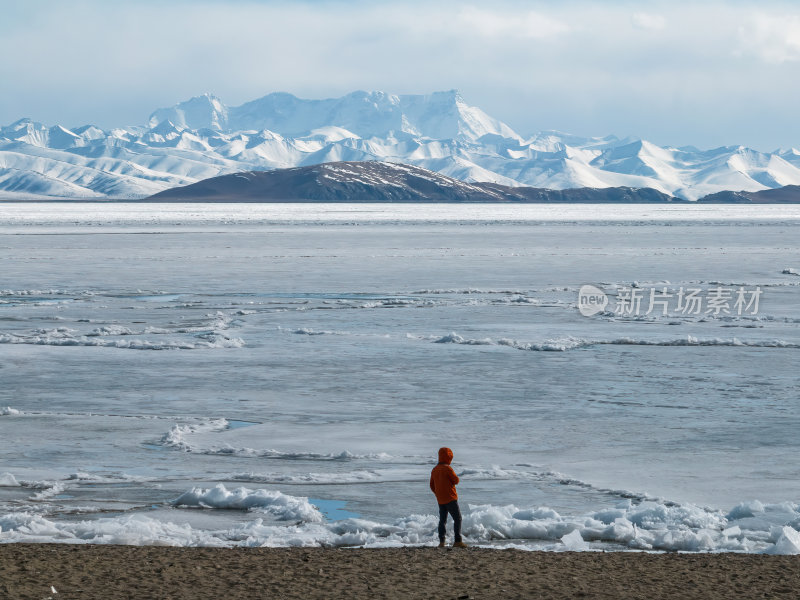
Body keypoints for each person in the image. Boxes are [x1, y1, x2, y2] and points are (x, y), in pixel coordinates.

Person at [430, 447, 467, 548]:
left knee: (442, 520)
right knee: (458, 518)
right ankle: (458, 541)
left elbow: (432, 486)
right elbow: (456, 481)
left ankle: (442, 542)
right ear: (449, 458)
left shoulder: (434, 470)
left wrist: (438, 494)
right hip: (451, 498)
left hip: (440, 499)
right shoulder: (448, 469)